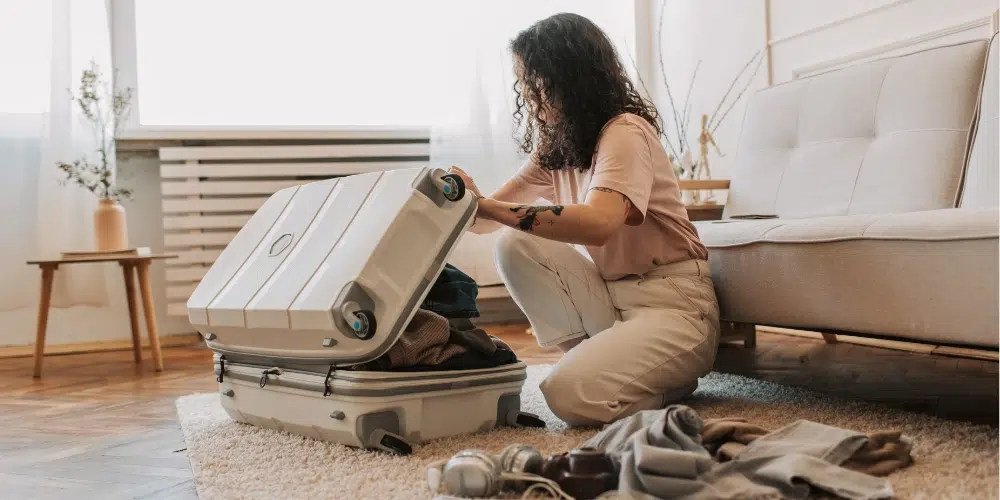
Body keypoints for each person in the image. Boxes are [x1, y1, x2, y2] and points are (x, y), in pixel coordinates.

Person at [447, 13, 720, 427]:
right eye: (524, 85)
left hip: (674, 304)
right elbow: (486, 221)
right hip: (611, 299)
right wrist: (458, 199)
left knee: (568, 396)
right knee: (514, 241)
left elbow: (599, 223)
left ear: (570, 79)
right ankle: (601, 364)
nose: (530, 98)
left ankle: (664, 385)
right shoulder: (557, 150)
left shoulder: (626, 131)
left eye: (536, 84)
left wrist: (488, 208)